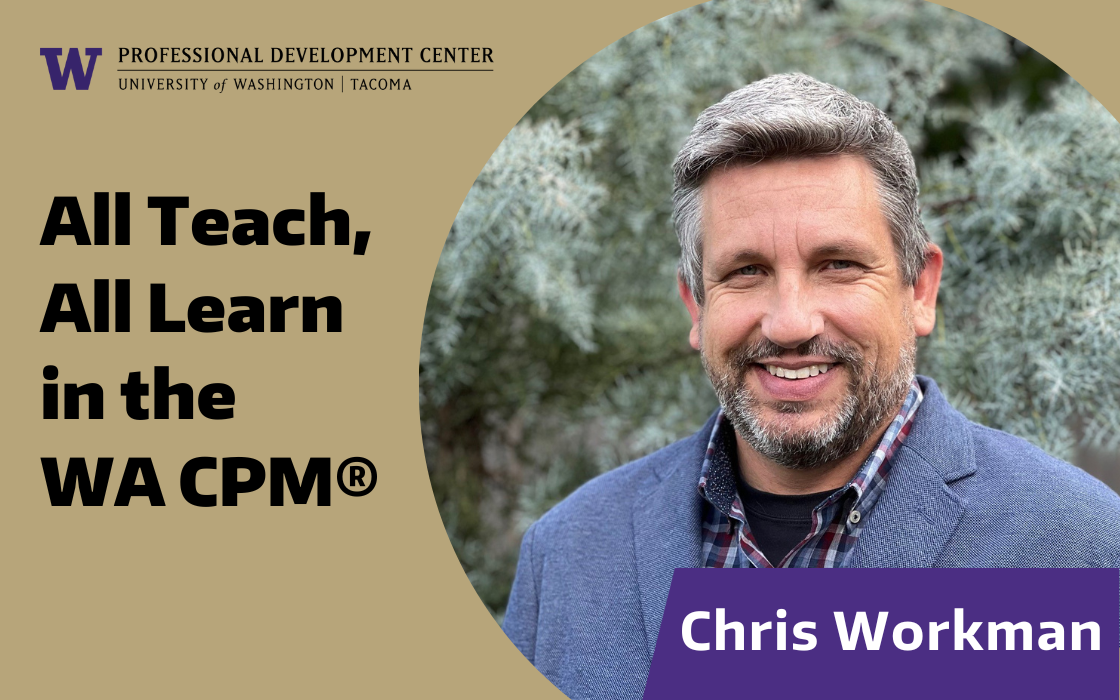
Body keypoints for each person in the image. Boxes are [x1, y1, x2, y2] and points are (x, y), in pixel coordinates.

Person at [501, 73, 1120, 698]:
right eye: (746, 271)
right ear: (696, 307)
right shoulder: (567, 553)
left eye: (839, 265)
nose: (791, 323)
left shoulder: (1080, 546)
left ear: (920, 290)